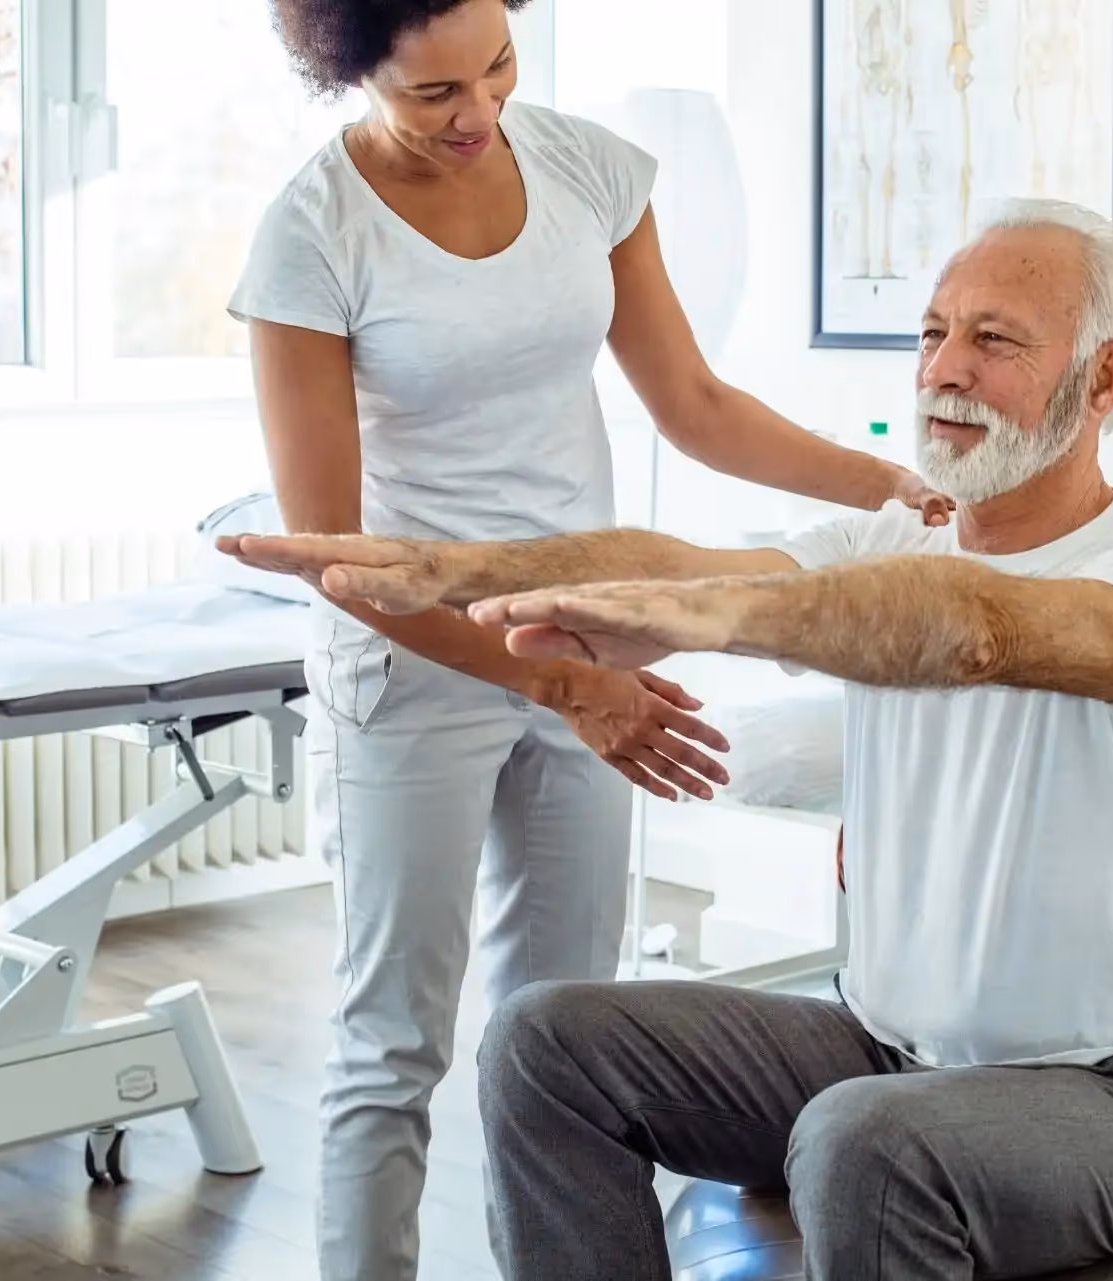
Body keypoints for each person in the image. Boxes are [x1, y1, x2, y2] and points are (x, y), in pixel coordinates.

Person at [221, 198, 1113, 1280]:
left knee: (863, 1140)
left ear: (1103, 379)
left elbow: (976, 629)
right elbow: (680, 560)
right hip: (884, 1046)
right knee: (542, 1044)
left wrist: (722, 616)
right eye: (932, 333)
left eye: (994, 340)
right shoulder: (886, 535)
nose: (943, 370)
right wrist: (457, 568)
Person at [226, 2, 951, 1277]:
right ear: (350, 72)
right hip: (415, 670)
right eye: (434, 93)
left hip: (587, 642)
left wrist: (892, 487)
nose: (479, 113)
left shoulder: (588, 171)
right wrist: (559, 683)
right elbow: (340, 560)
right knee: (392, 1044)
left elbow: (697, 404)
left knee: (564, 1036)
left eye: (498, 66)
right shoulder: (310, 236)